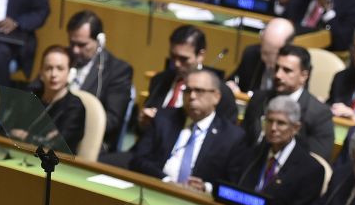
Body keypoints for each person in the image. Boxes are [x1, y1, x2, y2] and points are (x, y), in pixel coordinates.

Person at [129, 68, 245, 189]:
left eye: (199, 91)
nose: (192, 96)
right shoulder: (163, 118)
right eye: (188, 90)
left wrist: (206, 187)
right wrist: (166, 181)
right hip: (157, 188)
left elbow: (233, 183)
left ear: (216, 96)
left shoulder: (232, 136)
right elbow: (139, 159)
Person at [230, 96, 326, 205]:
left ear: (295, 128)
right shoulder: (252, 154)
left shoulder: (311, 169)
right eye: (269, 121)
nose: (273, 128)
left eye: (281, 123)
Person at [240, 44, 335, 157]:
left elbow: (317, 158)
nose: (278, 75)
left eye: (287, 70)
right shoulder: (259, 99)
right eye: (277, 68)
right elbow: (243, 140)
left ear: (304, 76)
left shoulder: (319, 113)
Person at [66, 10, 134, 150]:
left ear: (100, 41)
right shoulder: (62, 58)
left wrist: (71, 126)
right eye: (72, 43)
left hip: (87, 140)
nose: (75, 50)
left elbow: (112, 120)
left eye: (82, 45)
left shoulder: (118, 70)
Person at [142, 25, 238, 125]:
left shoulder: (221, 92)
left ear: (201, 55)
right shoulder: (159, 80)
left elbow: (228, 135)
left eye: (183, 59)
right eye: (173, 56)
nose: (176, 64)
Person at [26, 46, 87, 150]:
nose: (53, 74)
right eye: (48, 68)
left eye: (60, 69)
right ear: (41, 73)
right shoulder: (31, 96)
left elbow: (59, 145)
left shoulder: (75, 107)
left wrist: (26, 136)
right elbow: (5, 130)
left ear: (70, 73)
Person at [229, 17, 295, 96]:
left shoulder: (294, 68)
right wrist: (231, 85)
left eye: (271, 54)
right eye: (264, 52)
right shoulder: (252, 54)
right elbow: (236, 79)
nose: (265, 58)